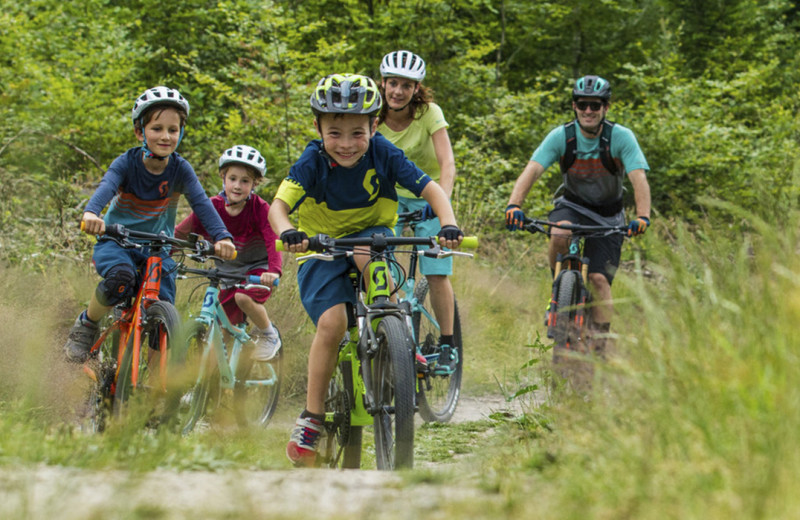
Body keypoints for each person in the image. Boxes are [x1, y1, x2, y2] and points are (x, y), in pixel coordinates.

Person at [269, 73, 464, 467]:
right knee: (332, 323)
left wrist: (448, 222)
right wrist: (289, 232)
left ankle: (398, 343)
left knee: (372, 259)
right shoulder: (311, 160)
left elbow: (431, 188)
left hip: (370, 232)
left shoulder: (384, 153)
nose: (345, 144)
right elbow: (278, 206)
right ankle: (311, 418)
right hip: (319, 243)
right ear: (318, 128)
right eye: (334, 133)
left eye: (357, 132)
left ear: (375, 127)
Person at [64, 86, 236, 363]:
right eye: (157, 128)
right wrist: (92, 213)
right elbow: (107, 186)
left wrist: (222, 237)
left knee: (164, 313)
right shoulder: (126, 164)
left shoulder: (180, 169)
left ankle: (157, 391)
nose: (166, 136)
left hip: (158, 249)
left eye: (173, 129)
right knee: (120, 279)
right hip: (117, 241)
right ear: (139, 132)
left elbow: (202, 204)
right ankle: (86, 325)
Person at [504, 75, 651, 355]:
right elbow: (533, 169)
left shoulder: (620, 137)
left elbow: (638, 178)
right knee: (560, 231)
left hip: (609, 216)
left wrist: (642, 216)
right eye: (582, 104)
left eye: (595, 105)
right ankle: (558, 291)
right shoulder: (563, 136)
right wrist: (514, 206)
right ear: (574, 106)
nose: (588, 111)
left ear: (606, 108)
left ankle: (599, 347)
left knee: (598, 280)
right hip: (572, 206)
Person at [377, 50, 459, 374]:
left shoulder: (429, 113)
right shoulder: (373, 115)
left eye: (406, 85)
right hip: (387, 200)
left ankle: (449, 344)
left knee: (436, 269)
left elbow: (447, 163)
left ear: (416, 89)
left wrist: (443, 205)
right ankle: (393, 337)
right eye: (392, 83)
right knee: (383, 265)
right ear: (382, 84)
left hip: (428, 195)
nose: (397, 91)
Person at [175, 145, 283, 361]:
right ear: (223, 177)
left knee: (244, 298)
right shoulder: (210, 207)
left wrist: (274, 271)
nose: (237, 185)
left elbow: (273, 240)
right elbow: (181, 232)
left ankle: (269, 335)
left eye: (245, 181)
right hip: (226, 275)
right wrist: (164, 252)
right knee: (219, 341)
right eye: (232, 178)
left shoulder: (260, 209)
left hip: (257, 272)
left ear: (254, 184)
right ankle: (204, 391)